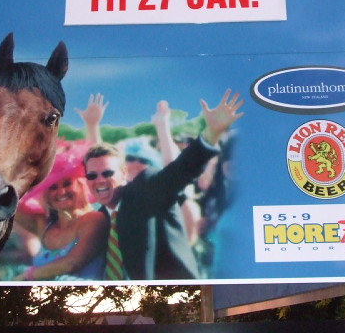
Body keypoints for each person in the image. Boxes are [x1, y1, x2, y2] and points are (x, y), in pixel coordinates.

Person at [83, 89, 243, 280]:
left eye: (108, 173)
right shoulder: (97, 219)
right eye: (92, 175)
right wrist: (92, 125)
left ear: (123, 173)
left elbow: (180, 170)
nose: (99, 180)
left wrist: (211, 133)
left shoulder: (145, 191)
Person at [8, 142, 108, 281]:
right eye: (53, 187)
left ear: (80, 185)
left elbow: (73, 263)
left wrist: (26, 276)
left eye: (67, 184)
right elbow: (9, 201)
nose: (61, 192)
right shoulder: (43, 225)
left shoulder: (94, 219)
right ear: (46, 194)